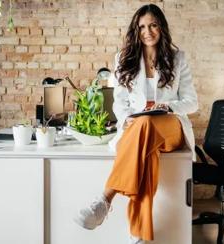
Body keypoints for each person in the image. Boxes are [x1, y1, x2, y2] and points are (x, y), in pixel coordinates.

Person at [74, 4, 198, 244]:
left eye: (152, 25)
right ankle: (138, 236)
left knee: (147, 127)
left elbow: (192, 102)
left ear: (161, 26)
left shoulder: (177, 58)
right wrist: (129, 118)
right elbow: (118, 103)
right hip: (140, 128)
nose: (147, 31)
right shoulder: (123, 59)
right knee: (146, 152)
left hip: (171, 126)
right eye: (142, 26)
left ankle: (105, 199)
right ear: (136, 30)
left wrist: (167, 107)